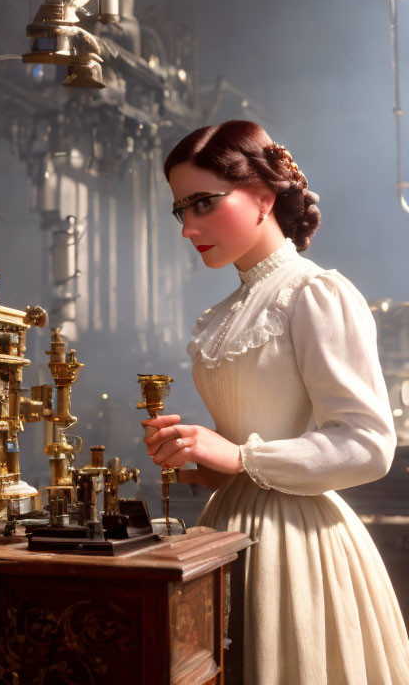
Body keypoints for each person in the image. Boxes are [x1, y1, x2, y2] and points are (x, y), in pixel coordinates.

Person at [143, 120, 409, 684]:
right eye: (180, 210)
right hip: (224, 536)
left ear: (264, 197)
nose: (189, 228)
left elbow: (367, 445)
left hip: (297, 549)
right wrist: (204, 460)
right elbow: (248, 438)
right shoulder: (222, 315)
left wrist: (240, 457)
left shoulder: (314, 293)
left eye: (203, 203)